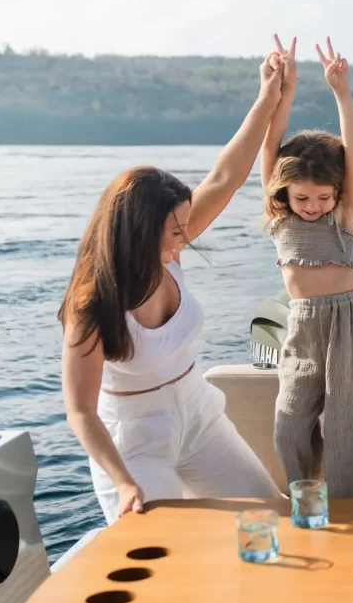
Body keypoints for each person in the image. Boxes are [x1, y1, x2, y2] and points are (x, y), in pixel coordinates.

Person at [58, 37, 290, 524]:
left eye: (184, 229)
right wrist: (124, 481)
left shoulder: (171, 250)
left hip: (199, 417)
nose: (182, 241)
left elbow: (225, 177)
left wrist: (268, 97)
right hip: (137, 443)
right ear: (136, 232)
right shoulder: (94, 305)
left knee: (274, 518)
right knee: (162, 552)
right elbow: (80, 411)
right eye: (172, 232)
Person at [261, 37, 353, 498]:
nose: (312, 206)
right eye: (302, 198)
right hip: (303, 322)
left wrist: (342, 93)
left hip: (348, 320)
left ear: (337, 195)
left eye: (322, 197)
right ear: (284, 194)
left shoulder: (344, 216)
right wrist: (283, 90)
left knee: (351, 427)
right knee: (289, 423)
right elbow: (269, 146)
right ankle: (305, 495)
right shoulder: (280, 220)